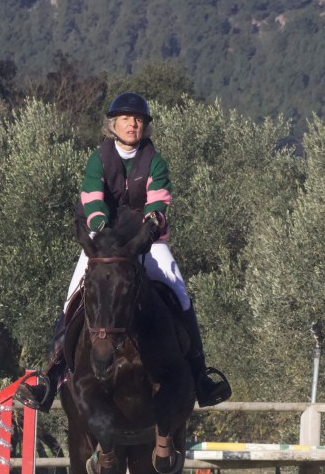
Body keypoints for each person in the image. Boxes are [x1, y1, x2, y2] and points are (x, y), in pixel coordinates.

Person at [14, 92, 231, 411]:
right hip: (104, 244)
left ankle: (200, 376)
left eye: (138, 119)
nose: (133, 124)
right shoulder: (98, 159)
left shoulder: (155, 161)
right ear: (113, 124)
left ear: (145, 126)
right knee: (72, 296)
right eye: (126, 119)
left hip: (148, 242)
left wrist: (151, 225)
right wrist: (104, 231)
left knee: (180, 293)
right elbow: (93, 199)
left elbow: (158, 201)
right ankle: (52, 375)